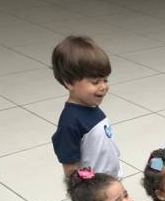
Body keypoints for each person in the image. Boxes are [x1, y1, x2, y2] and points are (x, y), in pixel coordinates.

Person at [51, 35, 121, 179]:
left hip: (110, 181)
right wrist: (84, 190)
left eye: (105, 80)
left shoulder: (91, 107)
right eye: (95, 82)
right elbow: (70, 170)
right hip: (95, 189)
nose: (103, 87)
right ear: (69, 82)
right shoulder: (70, 122)